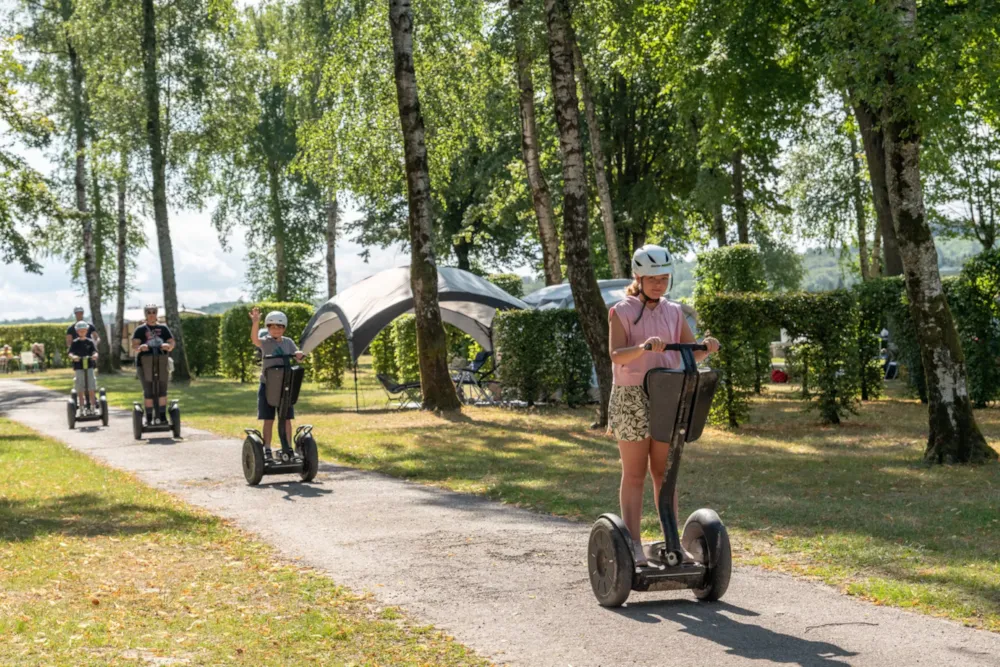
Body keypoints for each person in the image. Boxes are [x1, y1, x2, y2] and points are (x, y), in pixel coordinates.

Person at [607, 245, 720, 567]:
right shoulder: (621, 310)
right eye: (653, 278)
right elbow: (616, 355)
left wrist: (707, 348)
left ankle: (673, 544)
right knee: (635, 474)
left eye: (665, 278)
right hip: (631, 396)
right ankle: (633, 546)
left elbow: (689, 352)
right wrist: (642, 349)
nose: (659, 284)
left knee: (664, 474)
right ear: (638, 277)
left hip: (668, 393)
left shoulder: (674, 312)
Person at [250, 307, 305, 454]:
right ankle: (267, 448)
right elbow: (255, 340)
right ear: (268, 328)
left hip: (285, 386)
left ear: (284, 328)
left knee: (286, 419)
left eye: (279, 328)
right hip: (267, 386)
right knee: (269, 419)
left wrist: (299, 354)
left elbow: (297, 354)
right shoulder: (266, 342)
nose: (276, 330)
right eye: (273, 327)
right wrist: (255, 322)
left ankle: (288, 448)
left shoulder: (288, 342)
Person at [131, 304, 175, 425]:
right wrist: (140, 347)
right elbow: (134, 346)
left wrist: (169, 346)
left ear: (157, 313)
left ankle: (162, 416)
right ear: (145, 314)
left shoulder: (164, 328)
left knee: (162, 389)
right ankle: (149, 418)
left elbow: (172, 343)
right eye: (149, 312)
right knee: (148, 390)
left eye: (154, 312)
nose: (151, 314)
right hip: (144, 363)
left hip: (161, 361)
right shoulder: (140, 329)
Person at [68, 321, 99, 412]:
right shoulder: (75, 342)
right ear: (77, 332)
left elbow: (94, 351)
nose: (82, 332)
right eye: (80, 331)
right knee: (80, 386)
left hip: (89, 366)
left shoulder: (90, 342)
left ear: (87, 331)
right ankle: (81, 406)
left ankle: (93, 406)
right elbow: (70, 353)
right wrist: (73, 357)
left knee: (91, 386)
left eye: (84, 331)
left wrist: (95, 355)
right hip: (79, 367)